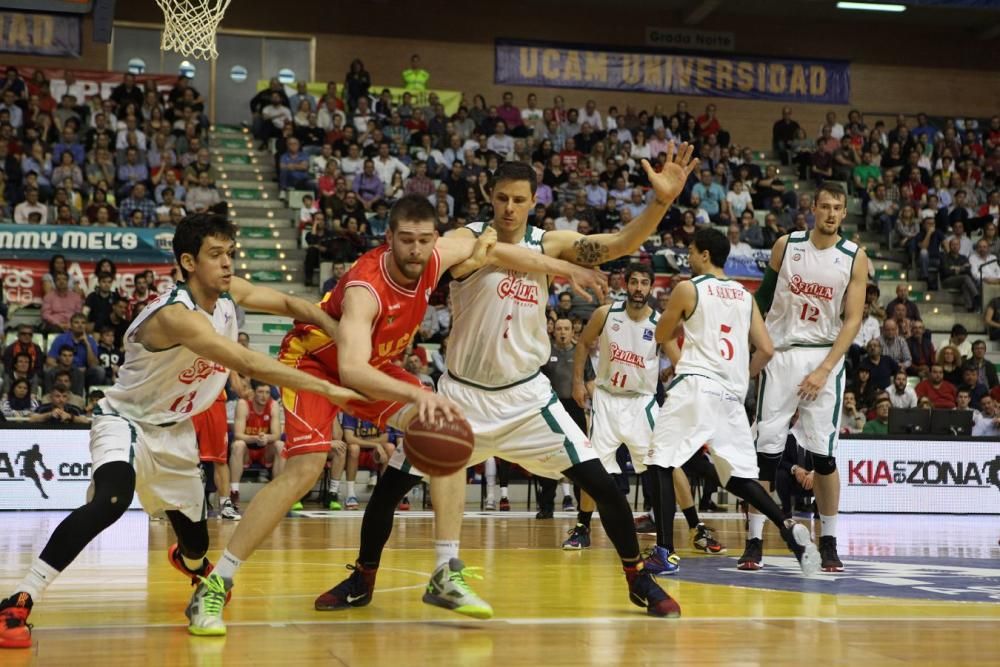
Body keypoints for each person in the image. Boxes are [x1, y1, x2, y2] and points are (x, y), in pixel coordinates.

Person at [312, 149, 699, 622]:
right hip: (461, 394)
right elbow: (493, 253)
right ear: (487, 197)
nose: (509, 208)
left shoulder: (548, 242)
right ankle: (363, 577)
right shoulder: (465, 240)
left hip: (526, 398)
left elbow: (617, 243)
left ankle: (638, 578)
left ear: (534, 200)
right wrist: (563, 269)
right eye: (501, 199)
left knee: (605, 486)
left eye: (518, 200)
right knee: (390, 491)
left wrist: (660, 203)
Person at [197, 194, 610, 633]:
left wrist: (565, 268)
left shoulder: (435, 255)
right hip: (317, 363)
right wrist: (418, 397)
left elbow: (491, 250)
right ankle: (216, 582)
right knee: (305, 468)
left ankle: (445, 570)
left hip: (373, 366)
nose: (415, 250)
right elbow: (352, 368)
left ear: (435, 240)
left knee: (448, 426)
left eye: (424, 241)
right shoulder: (365, 289)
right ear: (388, 238)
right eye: (406, 240)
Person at [0, 214, 366, 648]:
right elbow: (244, 361)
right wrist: (326, 387)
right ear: (189, 262)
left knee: (194, 546)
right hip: (127, 421)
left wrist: (341, 335)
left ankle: (189, 561)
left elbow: (295, 306)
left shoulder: (230, 295)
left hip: (176, 434)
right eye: (216, 255)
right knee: (111, 501)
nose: (228, 263)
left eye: (231, 253)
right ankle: (20, 600)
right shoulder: (176, 316)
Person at [645, 227, 819, 591]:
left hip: (695, 386)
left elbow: (661, 335)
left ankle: (664, 551)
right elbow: (767, 350)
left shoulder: (688, 288)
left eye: (691, 251)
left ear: (705, 255)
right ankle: (788, 530)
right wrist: (740, 375)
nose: (688, 257)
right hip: (731, 396)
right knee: (739, 478)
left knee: (661, 462)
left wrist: (682, 359)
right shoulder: (745, 295)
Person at [747, 181, 868, 573]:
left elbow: (852, 321)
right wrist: (754, 345)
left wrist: (824, 369)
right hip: (780, 355)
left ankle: (829, 540)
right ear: (812, 208)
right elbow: (761, 301)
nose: (831, 213)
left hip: (823, 357)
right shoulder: (786, 245)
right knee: (765, 454)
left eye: (838, 207)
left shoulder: (854, 257)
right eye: (825, 205)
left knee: (824, 458)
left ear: (845, 213)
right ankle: (754, 540)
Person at [568, 263, 725, 557]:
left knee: (666, 462)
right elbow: (583, 344)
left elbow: (680, 362)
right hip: (606, 399)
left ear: (651, 288)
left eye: (644, 283)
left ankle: (696, 526)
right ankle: (582, 527)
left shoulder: (660, 323)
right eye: (634, 282)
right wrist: (578, 382)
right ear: (625, 284)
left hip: (642, 402)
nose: (639, 288)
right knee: (592, 465)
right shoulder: (605, 315)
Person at [230, 382, 284, 500]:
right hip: (247, 450)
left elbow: (277, 435)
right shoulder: (243, 404)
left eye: (267, 393)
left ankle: (278, 492)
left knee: (280, 445)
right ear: (253, 393)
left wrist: (266, 438)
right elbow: (238, 434)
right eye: (260, 392)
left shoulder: (273, 405)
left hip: (265, 450)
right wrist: (255, 438)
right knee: (238, 445)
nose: (264, 396)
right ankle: (234, 492)